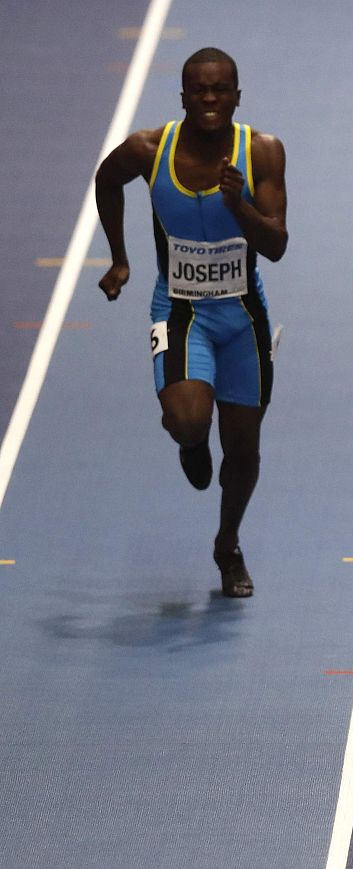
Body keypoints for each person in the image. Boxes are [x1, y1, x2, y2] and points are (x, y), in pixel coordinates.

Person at [95, 47, 288, 598]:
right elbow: (106, 182)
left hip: (243, 316)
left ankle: (227, 546)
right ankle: (190, 440)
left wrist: (241, 207)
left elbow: (275, 245)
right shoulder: (148, 149)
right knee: (187, 421)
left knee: (245, 450)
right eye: (198, 90)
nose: (209, 98)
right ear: (183, 97)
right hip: (180, 309)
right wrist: (119, 257)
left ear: (236, 96)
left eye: (220, 89)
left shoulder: (263, 152)